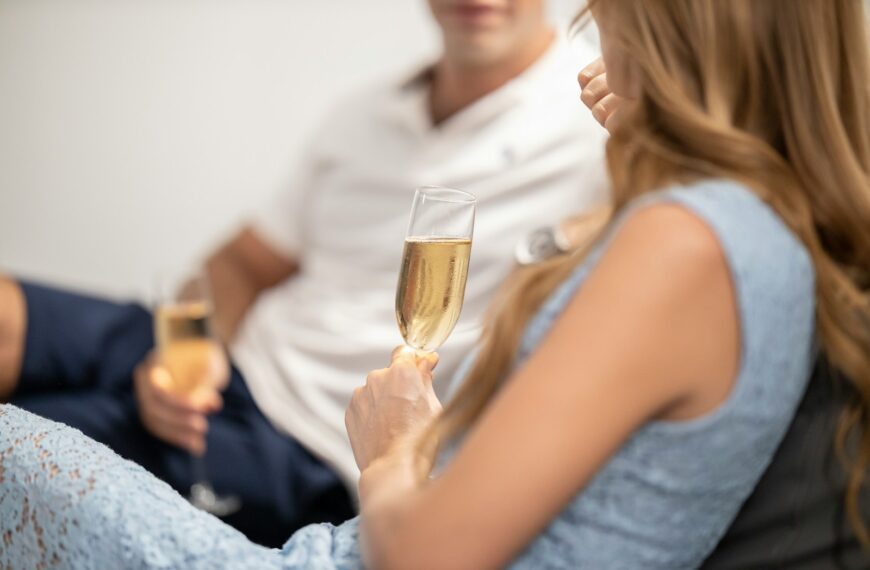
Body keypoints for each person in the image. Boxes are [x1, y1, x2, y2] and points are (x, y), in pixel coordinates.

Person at [3, 0, 870, 567]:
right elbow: (233, 266)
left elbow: (425, 554)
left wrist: (395, 446)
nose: (596, 39)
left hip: (315, 486)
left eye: (605, 16)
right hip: (239, 382)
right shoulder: (736, 226)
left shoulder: (684, 238)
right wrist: (187, 357)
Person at [0, 0, 607, 546]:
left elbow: (689, 205)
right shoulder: (364, 112)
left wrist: (643, 113)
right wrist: (190, 350)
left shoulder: (598, 121)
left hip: (298, 442)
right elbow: (239, 263)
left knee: (18, 457)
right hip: (216, 362)